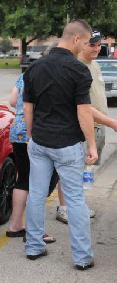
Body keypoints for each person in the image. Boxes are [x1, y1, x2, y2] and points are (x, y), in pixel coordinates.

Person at [23, 19, 97, 270]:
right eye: (86, 42)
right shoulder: (78, 71)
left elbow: (27, 108)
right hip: (67, 144)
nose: (87, 46)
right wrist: (92, 146)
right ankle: (82, 257)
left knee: (36, 193)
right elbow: (84, 112)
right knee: (75, 200)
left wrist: (32, 136)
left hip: (40, 141)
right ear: (76, 39)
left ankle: (33, 246)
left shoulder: (34, 67)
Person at [55, 29, 108, 223]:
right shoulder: (75, 67)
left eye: (99, 44)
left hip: (98, 127)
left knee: (86, 170)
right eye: (92, 44)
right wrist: (111, 122)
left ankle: (79, 204)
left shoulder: (95, 66)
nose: (96, 48)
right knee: (71, 170)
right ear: (82, 43)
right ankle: (64, 207)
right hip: (81, 127)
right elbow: (80, 106)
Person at [5, 73, 56, 244]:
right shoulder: (48, 76)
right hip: (35, 130)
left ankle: (16, 225)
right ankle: (34, 231)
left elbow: (13, 101)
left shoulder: (24, 75)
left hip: (17, 129)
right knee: (39, 182)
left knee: (23, 178)